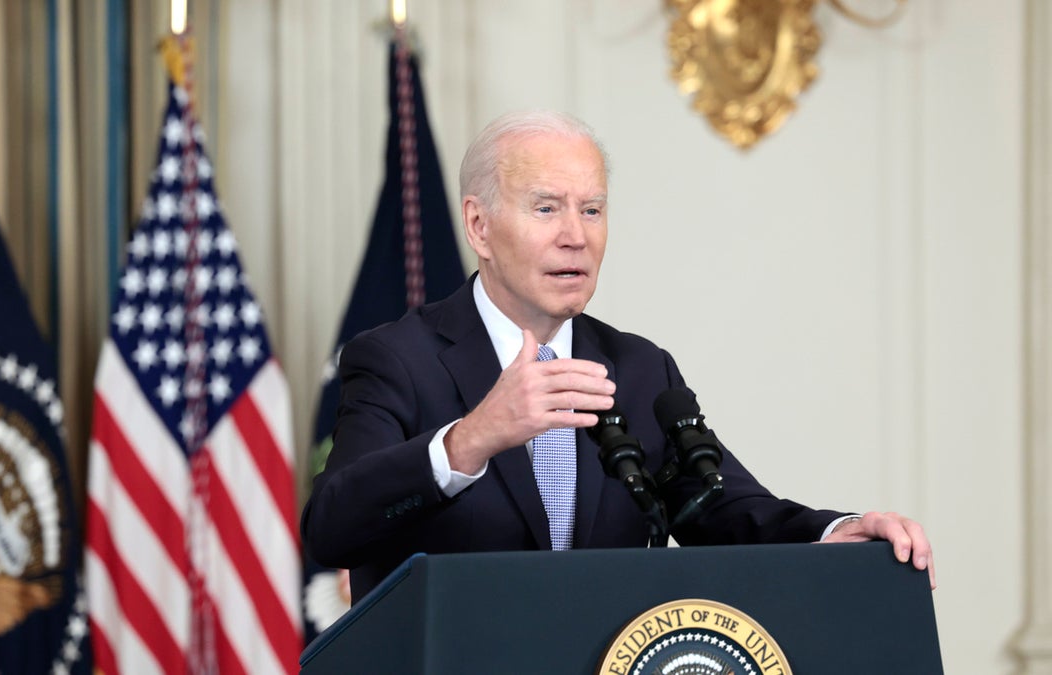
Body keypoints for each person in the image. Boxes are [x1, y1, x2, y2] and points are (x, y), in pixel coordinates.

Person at [301, 110, 934, 604]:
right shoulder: (395, 359)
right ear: (479, 226)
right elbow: (333, 525)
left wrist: (836, 534)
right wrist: (469, 441)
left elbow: (725, 509)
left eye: (593, 210)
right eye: (546, 208)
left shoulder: (638, 369)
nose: (575, 234)